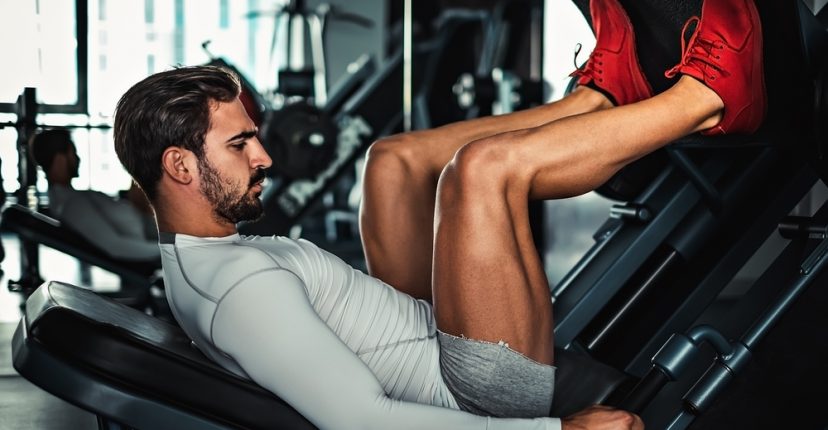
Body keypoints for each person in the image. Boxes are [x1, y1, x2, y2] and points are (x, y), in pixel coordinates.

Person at [112, 0, 762, 428]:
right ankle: (704, 99)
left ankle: (598, 102)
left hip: (427, 345)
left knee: (390, 161)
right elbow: (364, 422)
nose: (265, 159)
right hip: (480, 393)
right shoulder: (239, 292)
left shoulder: (209, 260)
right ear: (179, 168)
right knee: (480, 171)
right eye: (239, 144)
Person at [30, 128, 159, 261]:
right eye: (73, 153)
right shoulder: (72, 205)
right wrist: (170, 252)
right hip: (155, 238)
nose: (78, 159)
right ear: (60, 160)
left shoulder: (67, 198)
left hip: (155, 230)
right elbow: (115, 246)